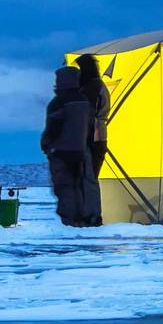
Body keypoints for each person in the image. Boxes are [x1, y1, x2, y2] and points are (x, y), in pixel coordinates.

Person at [40, 66, 99, 226]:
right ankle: (86, 217)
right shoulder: (84, 101)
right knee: (80, 186)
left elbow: (53, 126)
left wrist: (46, 144)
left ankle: (70, 220)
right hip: (81, 152)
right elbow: (91, 125)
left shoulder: (58, 102)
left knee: (64, 187)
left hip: (61, 151)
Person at [75, 54, 110, 183]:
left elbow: (86, 114)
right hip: (96, 137)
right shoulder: (95, 86)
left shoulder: (92, 88)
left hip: (92, 138)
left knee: (88, 179)